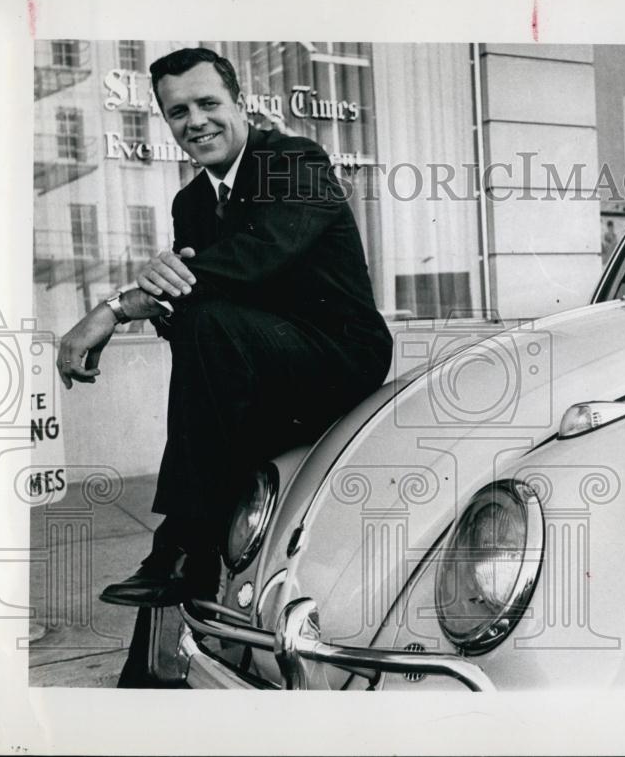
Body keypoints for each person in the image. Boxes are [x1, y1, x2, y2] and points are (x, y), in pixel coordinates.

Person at [56, 48, 392, 632]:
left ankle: (181, 545)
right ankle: (172, 622)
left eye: (209, 103)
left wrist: (119, 307)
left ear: (242, 104)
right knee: (204, 361)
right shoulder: (191, 201)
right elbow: (195, 299)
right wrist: (151, 304)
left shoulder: (295, 160)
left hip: (338, 356)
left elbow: (256, 259)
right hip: (254, 362)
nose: (196, 123)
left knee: (208, 333)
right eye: (178, 111)